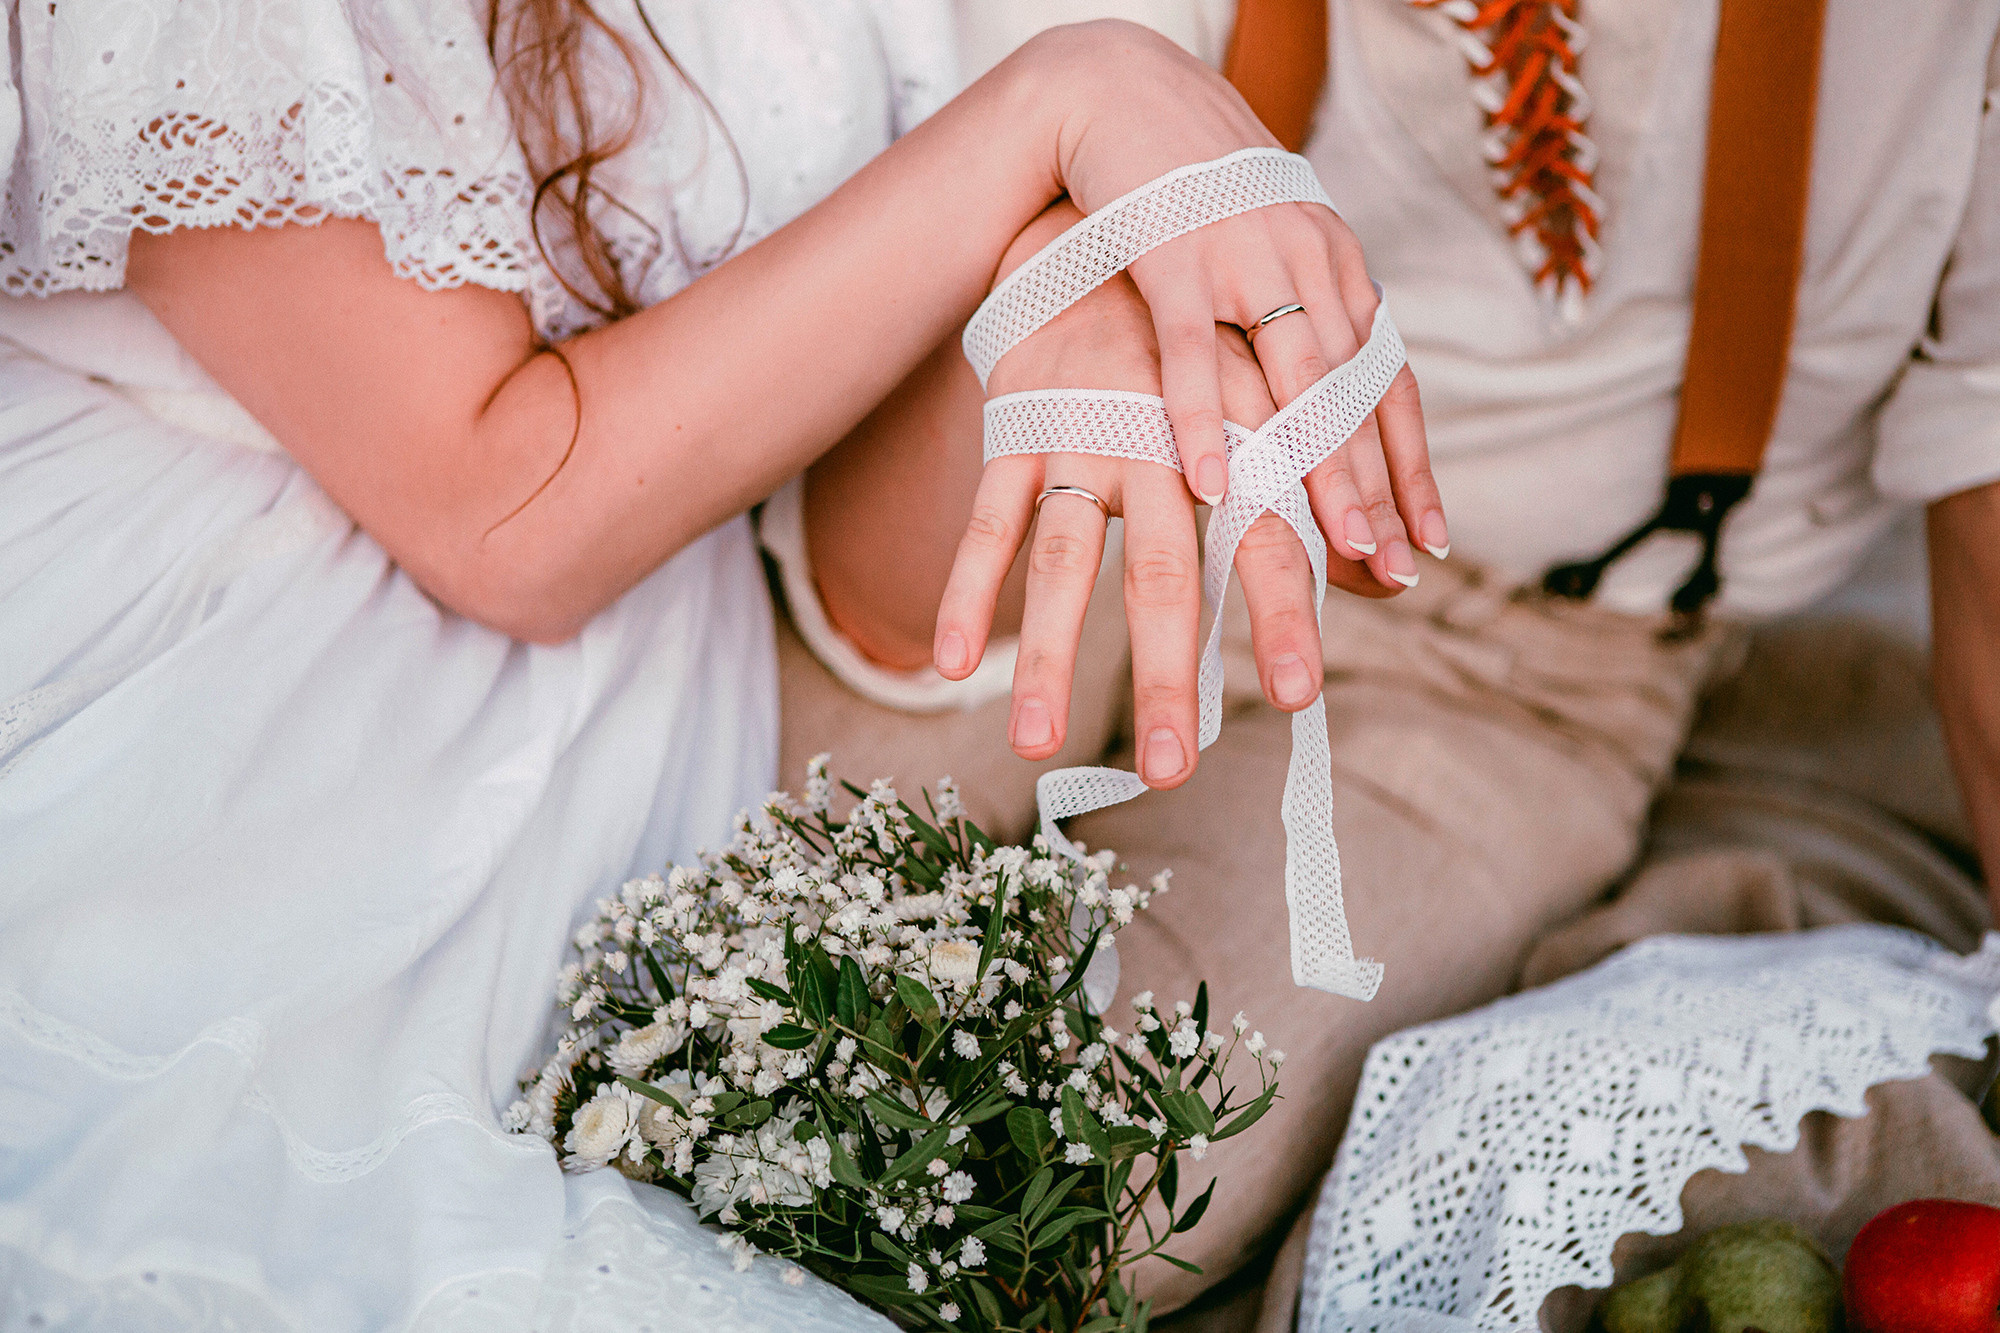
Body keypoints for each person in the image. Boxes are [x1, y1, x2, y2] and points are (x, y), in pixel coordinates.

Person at [0, 1, 1443, 1328]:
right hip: (224, 711)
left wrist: (1046, 289)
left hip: (638, 749)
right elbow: (502, 510)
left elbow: (876, 596)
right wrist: (1065, 98)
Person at [764, 0, 2000, 1318]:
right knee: (715, 958)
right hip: (1082, 467)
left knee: (1051, 1189)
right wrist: (1050, 273)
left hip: (1512, 671)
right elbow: (877, 593)